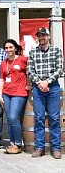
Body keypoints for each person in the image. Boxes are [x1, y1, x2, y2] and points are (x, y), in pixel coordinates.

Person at [27, 27, 63, 159]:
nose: (41, 38)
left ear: (48, 36)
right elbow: (30, 70)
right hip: (38, 87)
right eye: (39, 36)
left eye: (43, 35)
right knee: (39, 118)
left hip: (52, 87)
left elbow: (60, 69)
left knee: (54, 118)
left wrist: (47, 82)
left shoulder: (56, 50)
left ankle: (56, 148)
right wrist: (40, 83)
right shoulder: (33, 52)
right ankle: (39, 147)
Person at [0, 39, 28, 154]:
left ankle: (18, 143)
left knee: (13, 117)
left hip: (19, 93)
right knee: (10, 119)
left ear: (15, 48)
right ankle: (12, 144)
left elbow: (30, 73)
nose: (8, 50)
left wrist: (29, 84)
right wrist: (0, 95)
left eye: (10, 47)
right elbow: (1, 80)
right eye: (6, 48)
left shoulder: (23, 60)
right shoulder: (3, 63)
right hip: (6, 93)